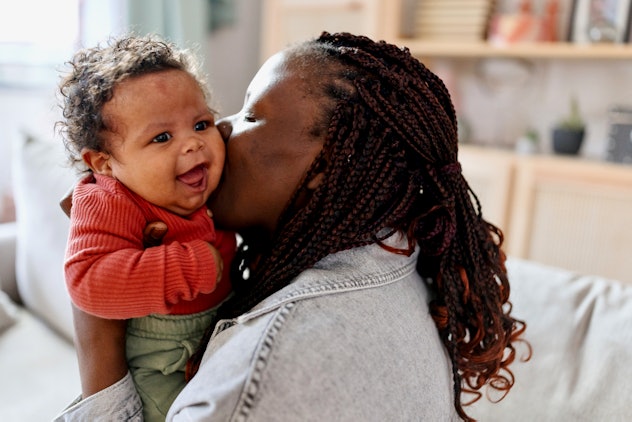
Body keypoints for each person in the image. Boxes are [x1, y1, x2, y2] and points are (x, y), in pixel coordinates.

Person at [55, 32, 529, 422]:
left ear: (325, 166)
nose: (218, 129)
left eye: (249, 115)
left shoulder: (258, 374)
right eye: (162, 136)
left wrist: (96, 337)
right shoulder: (390, 251)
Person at [56, 34, 236, 421]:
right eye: (162, 137)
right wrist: (191, 266)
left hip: (216, 338)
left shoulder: (215, 182)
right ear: (104, 163)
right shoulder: (108, 199)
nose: (192, 144)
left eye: (201, 123)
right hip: (159, 365)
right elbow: (88, 280)